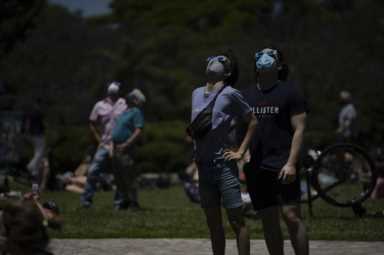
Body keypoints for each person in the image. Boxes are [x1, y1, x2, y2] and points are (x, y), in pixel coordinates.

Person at [189, 51, 257, 255]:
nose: (214, 60)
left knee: (236, 221)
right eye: (213, 57)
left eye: (221, 60)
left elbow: (252, 120)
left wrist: (241, 151)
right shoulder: (196, 93)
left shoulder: (230, 93)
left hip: (223, 166)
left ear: (227, 72)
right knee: (213, 224)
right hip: (203, 167)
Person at [243, 48, 309, 255]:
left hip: (283, 164)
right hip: (256, 168)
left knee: (291, 216)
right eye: (260, 55)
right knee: (269, 221)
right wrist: (242, 154)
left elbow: (299, 129)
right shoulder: (246, 95)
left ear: (279, 65)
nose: (264, 58)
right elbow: (241, 130)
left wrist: (291, 163)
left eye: (271, 55)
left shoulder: (291, 92)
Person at [80, 81, 127, 208]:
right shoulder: (99, 105)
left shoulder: (124, 104)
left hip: (119, 144)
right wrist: (98, 139)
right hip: (104, 144)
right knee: (93, 171)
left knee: (120, 174)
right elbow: (92, 122)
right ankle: (86, 201)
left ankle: (119, 203)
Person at [111, 89, 146, 210]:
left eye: (132, 97)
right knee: (119, 177)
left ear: (135, 100)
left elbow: (138, 130)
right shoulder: (125, 112)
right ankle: (124, 200)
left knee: (129, 176)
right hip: (116, 148)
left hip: (126, 149)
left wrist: (126, 144)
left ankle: (133, 202)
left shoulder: (136, 112)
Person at [22, 99, 46, 193]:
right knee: (39, 153)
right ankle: (30, 166)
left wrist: (25, 133)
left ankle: (34, 189)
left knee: (36, 167)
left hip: (30, 135)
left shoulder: (28, 113)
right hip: (38, 134)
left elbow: (26, 124)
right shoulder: (37, 113)